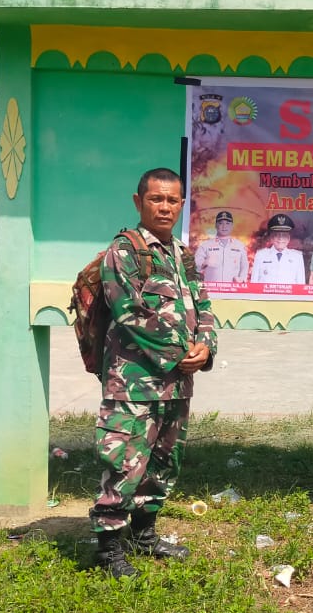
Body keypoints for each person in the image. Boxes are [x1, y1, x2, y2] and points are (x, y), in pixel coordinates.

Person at [90, 167, 217, 578]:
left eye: (172, 200)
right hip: (133, 382)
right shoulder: (124, 252)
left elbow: (204, 307)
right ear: (138, 201)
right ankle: (109, 549)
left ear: (182, 204)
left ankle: (144, 537)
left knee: (163, 463)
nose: (165, 207)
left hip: (177, 382)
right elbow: (129, 312)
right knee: (125, 461)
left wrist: (205, 348)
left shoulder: (183, 254)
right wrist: (179, 353)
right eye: (156, 199)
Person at [193, 210, 248, 283]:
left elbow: (244, 265)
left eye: (227, 223)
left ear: (232, 226)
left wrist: (242, 278)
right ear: (216, 225)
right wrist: (204, 263)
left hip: (233, 290)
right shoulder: (205, 245)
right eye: (221, 223)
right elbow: (195, 267)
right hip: (211, 290)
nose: (224, 226)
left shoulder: (239, 245)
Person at [250, 213, 306, 284]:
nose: (280, 239)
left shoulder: (297, 257)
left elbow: (300, 284)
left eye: (284, 235)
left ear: (288, 239)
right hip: (266, 295)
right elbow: (254, 282)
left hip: (288, 295)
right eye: (277, 235)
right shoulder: (261, 255)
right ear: (272, 237)